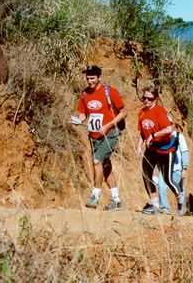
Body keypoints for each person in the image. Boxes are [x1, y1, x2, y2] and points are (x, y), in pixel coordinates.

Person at [73, 65, 127, 211]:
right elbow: (84, 114)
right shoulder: (84, 94)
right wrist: (79, 120)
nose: (89, 81)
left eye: (92, 78)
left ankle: (95, 196)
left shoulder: (109, 92)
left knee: (97, 161)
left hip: (110, 133)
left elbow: (123, 112)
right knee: (105, 165)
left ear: (99, 78)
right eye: (87, 78)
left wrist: (109, 125)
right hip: (94, 135)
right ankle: (116, 200)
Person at [136, 86, 186, 215]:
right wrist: (138, 146)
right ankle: (156, 205)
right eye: (144, 98)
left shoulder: (160, 111)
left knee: (168, 179)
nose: (146, 101)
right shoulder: (141, 113)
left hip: (166, 149)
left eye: (149, 99)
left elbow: (169, 129)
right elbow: (143, 132)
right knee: (146, 174)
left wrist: (153, 135)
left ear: (156, 99)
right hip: (152, 148)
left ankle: (181, 200)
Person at [156, 114, 189, 215]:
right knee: (162, 186)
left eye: (169, 123)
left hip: (177, 168)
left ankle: (181, 206)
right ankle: (165, 208)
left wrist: (184, 168)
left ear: (173, 124)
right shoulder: (159, 137)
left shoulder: (178, 136)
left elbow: (185, 152)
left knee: (177, 186)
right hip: (164, 168)